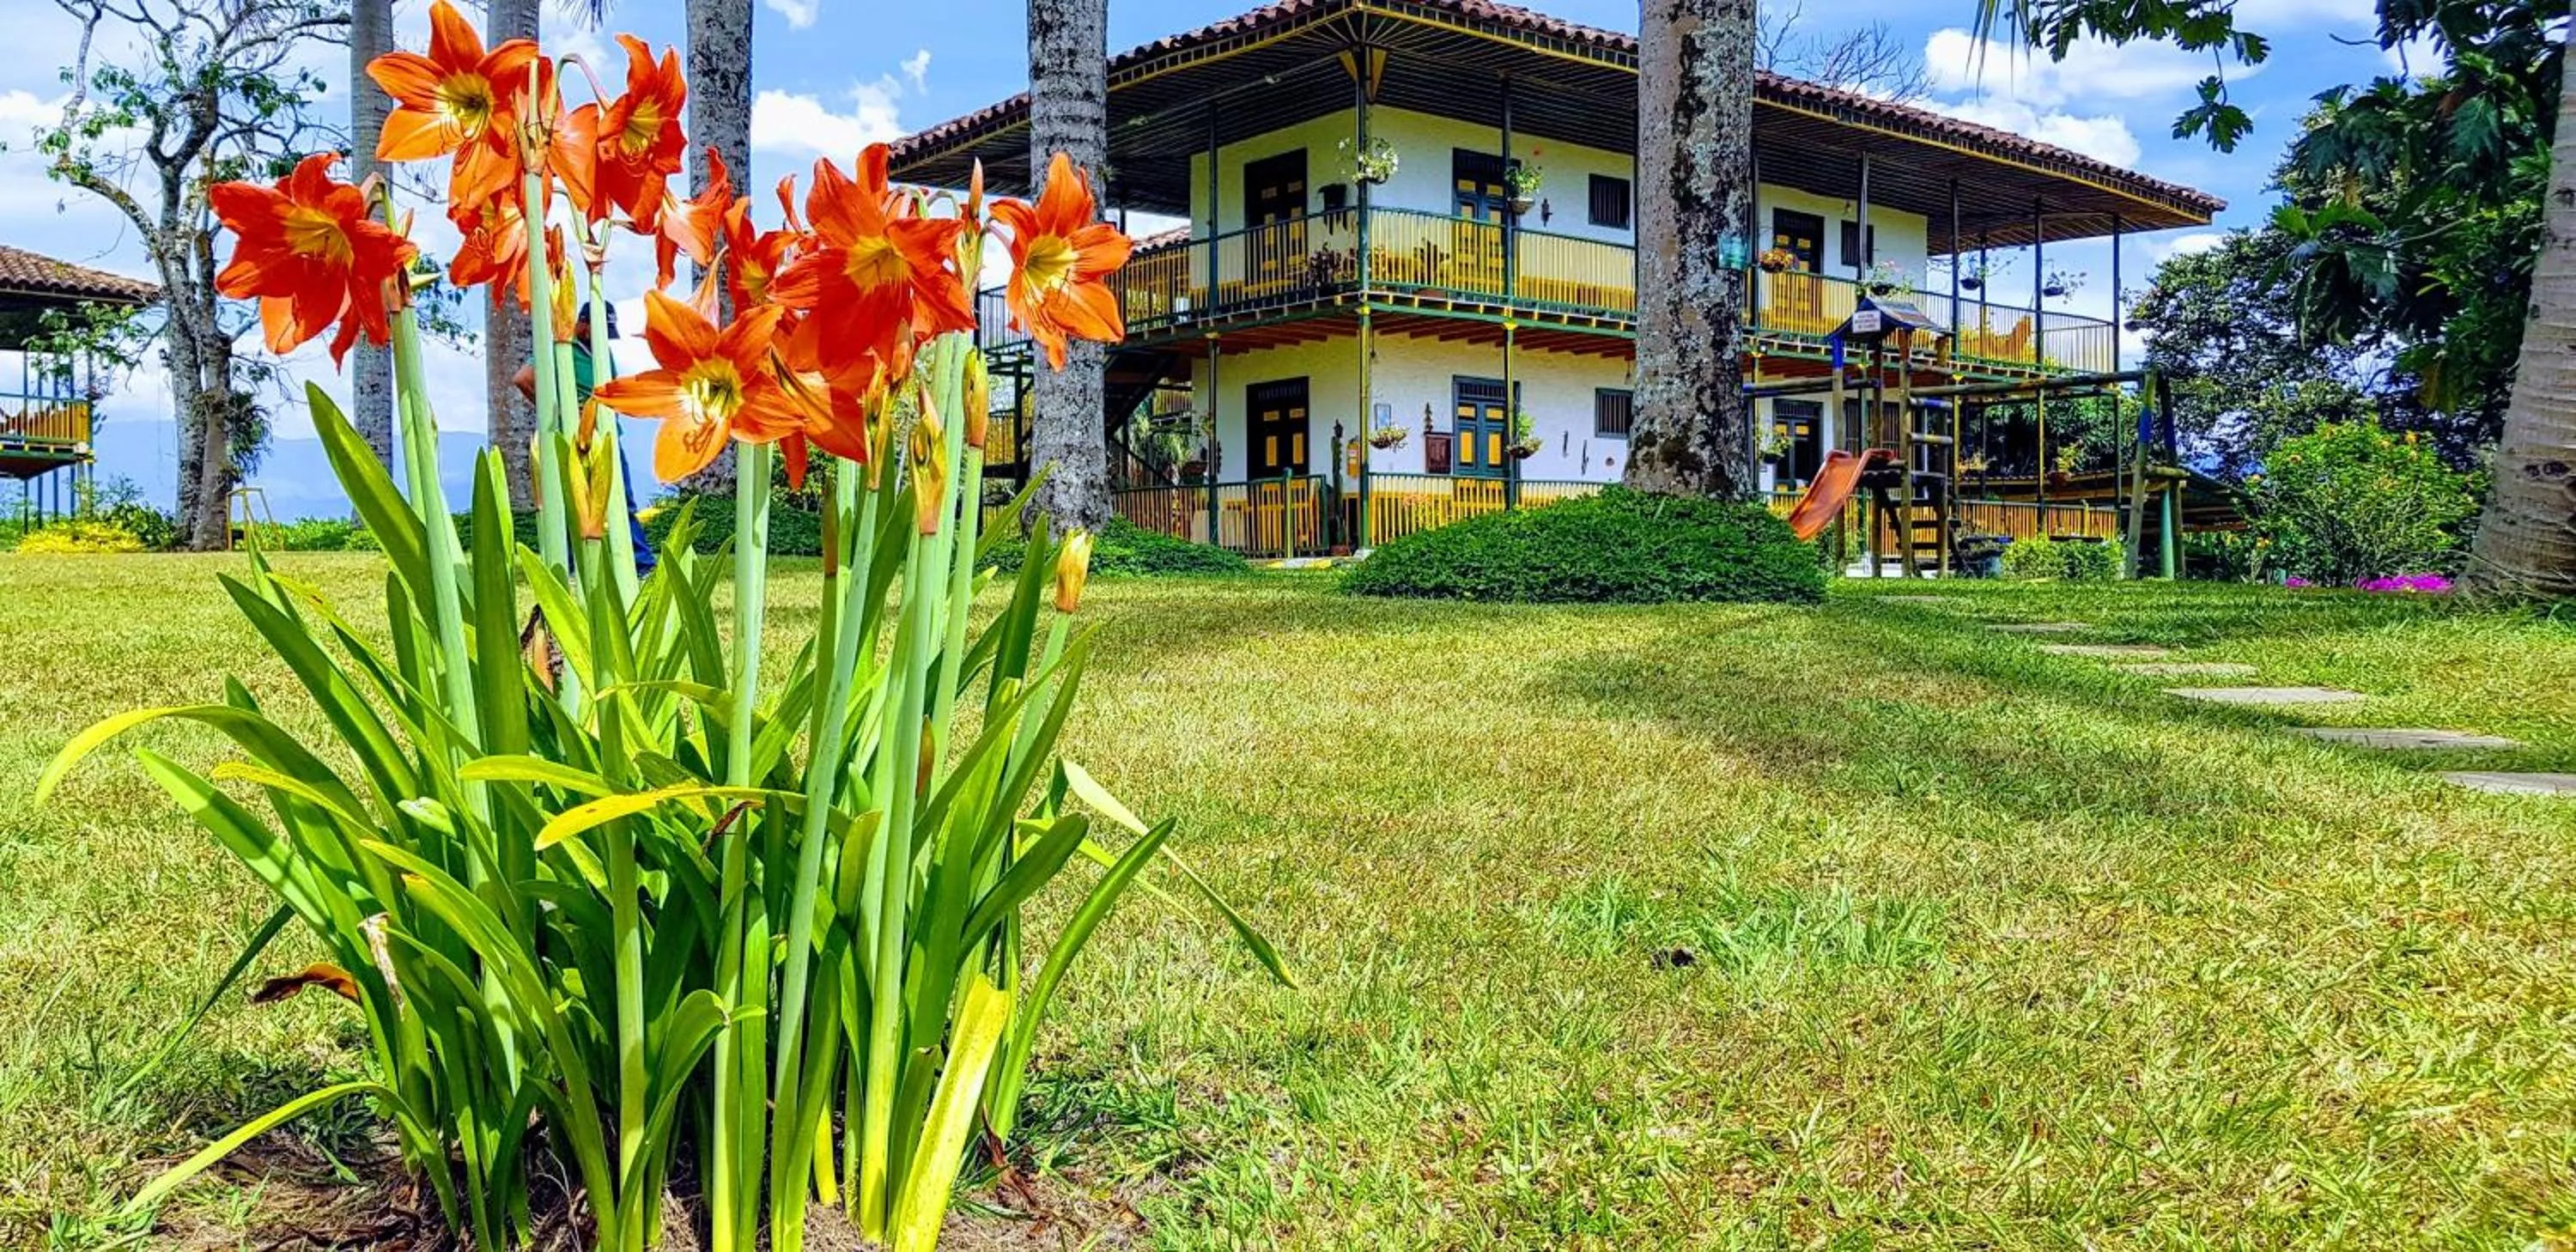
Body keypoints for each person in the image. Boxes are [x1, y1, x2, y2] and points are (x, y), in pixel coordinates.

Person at [513, 302, 657, 574]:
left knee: (622, 499)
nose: (603, 337)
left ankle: (641, 563)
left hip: (607, 437)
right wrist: (563, 411)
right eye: (599, 330)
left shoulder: (603, 353)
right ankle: (568, 564)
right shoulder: (560, 350)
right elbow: (523, 378)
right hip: (573, 440)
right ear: (584, 324)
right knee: (572, 501)